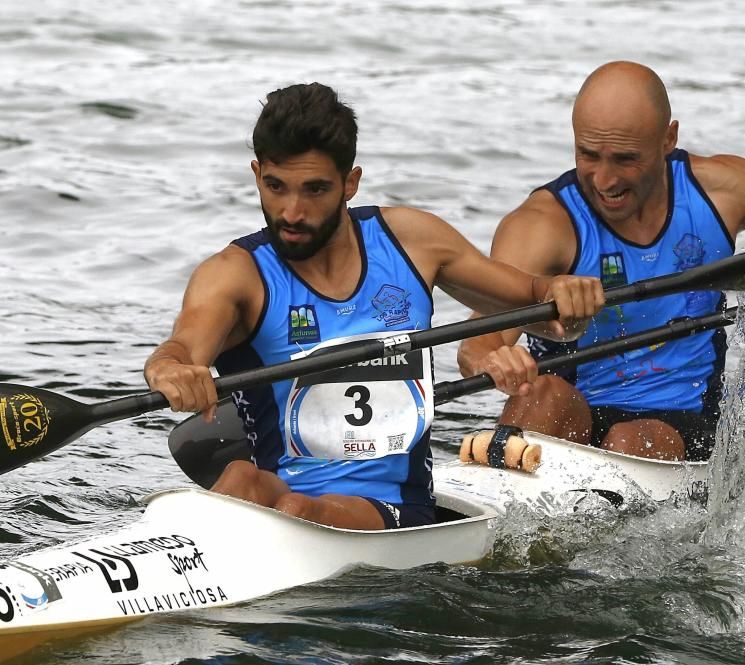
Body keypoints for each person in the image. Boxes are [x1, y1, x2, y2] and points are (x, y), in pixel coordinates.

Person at [143, 83, 604, 531]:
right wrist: (172, 371)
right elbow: (181, 349)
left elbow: (537, 300)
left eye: (315, 190)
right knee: (242, 478)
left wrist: (567, 294)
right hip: (277, 495)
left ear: (350, 183)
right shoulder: (235, 274)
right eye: (276, 186)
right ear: (256, 174)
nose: (291, 212)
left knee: (298, 511)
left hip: (392, 509)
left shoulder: (412, 243)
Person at [457, 61, 745, 463]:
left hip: (682, 420)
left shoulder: (721, 191)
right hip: (573, 408)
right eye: (588, 155)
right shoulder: (543, 224)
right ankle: (501, 494)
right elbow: (481, 340)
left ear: (668, 139)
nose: (605, 181)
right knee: (540, 392)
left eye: (625, 159)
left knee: (631, 439)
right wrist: (495, 361)